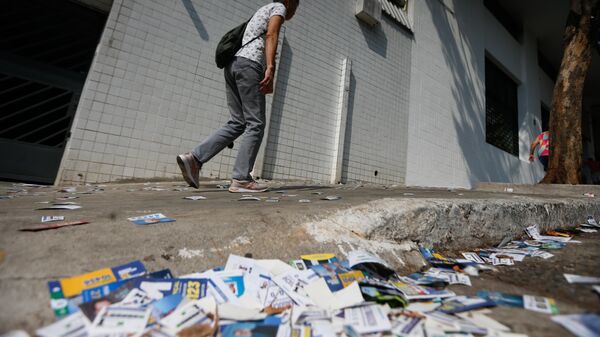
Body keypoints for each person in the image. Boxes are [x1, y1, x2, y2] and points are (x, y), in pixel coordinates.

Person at [177, 0, 299, 192]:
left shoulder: (262, 9)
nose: (295, 10)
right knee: (256, 123)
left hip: (233, 65)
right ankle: (241, 178)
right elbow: (271, 34)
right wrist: (270, 67)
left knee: (238, 122)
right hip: (250, 65)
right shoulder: (279, 8)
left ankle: (195, 158)